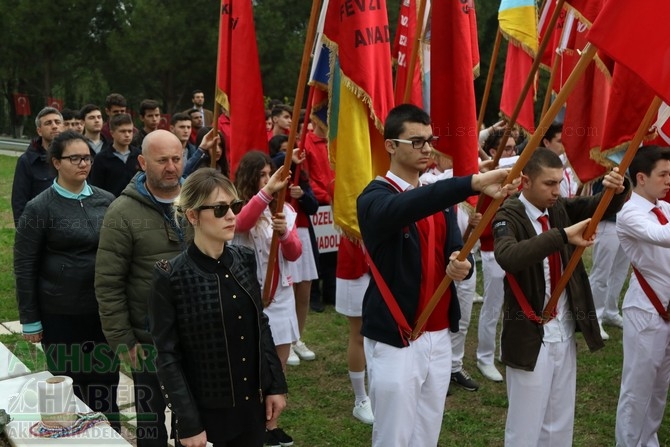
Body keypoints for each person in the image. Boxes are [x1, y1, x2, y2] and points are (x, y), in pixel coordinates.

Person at [357, 103, 518, 446]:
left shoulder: (439, 200)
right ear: (390, 146)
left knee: (427, 432)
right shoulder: (374, 198)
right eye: (416, 141)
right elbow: (408, 206)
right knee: (393, 436)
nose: (427, 148)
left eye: (430, 140)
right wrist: (471, 182)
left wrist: (461, 266)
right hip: (398, 335)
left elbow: (458, 252)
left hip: (439, 334)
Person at [492, 147, 628, 446]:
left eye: (558, 182)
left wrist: (618, 190)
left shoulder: (557, 208)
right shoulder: (507, 215)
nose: (556, 190)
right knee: (525, 426)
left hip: (563, 331)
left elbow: (598, 206)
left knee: (560, 420)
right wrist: (562, 236)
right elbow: (509, 257)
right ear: (525, 182)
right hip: (529, 334)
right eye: (549, 184)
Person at [149, 168, 287, 447]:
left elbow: (260, 325)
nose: (232, 216)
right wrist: (188, 422)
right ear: (193, 215)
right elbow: (166, 356)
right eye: (220, 208)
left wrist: (275, 386)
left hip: (251, 412)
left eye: (234, 206)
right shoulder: (170, 276)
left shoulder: (244, 259)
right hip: (205, 419)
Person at [14, 130, 120, 430]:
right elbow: (24, 265)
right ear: (56, 162)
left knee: (106, 383)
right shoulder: (39, 208)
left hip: (102, 311)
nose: (83, 163)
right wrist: (30, 320)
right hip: (60, 314)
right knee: (72, 386)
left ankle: (109, 433)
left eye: (87, 157)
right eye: (74, 158)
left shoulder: (106, 200)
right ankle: (74, 434)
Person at [95, 129, 186, 447]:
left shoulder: (197, 202)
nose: (172, 167)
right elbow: (108, 284)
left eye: (177, 158)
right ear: (142, 162)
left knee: (194, 422)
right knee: (151, 423)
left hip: (196, 336)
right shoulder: (121, 213)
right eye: (162, 160)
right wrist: (124, 342)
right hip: (148, 340)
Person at [233, 151, 301, 447]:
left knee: (279, 366)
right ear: (251, 178)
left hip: (281, 296)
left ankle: (271, 424)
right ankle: (253, 423)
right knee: (251, 367)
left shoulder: (282, 210)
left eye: (270, 173)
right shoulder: (237, 206)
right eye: (262, 175)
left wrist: (285, 234)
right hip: (250, 296)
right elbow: (241, 225)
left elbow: (295, 253)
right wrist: (266, 192)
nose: (269, 179)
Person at [615, 146, 670, 446]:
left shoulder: (666, 209)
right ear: (641, 177)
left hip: (666, 309)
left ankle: (649, 441)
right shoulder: (629, 214)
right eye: (662, 174)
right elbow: (663, 237)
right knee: (637, 390)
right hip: (645, 310)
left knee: (659, 388)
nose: (668, 181)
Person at [419, 150, 481, 392]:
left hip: (465, 258)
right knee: (436, 316)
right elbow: (444, 187)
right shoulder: (429, 181)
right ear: (438, 155)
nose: (457, 159)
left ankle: (454, 365)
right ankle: (434, 369)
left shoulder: (469, 180)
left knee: (462, 318)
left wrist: (475, 222)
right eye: (451, 153)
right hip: (437, 263)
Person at [476, 129, 518, 383]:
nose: (514, 153)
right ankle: (484, 357)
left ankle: (505, 350)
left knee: (512, 306)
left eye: (515, 148)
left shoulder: (514, 178)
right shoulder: (484, 181)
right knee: (492, 307)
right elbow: (481, 220)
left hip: (514, 251)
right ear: (494, 153)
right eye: (509, 149)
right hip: (493, 252)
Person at [335, 237, 374, 424]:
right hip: (356, 265)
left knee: (378, 335)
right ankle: (360, 399)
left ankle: (375, 394)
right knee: (360, 335)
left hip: (379, 264)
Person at [588, 178, 629, 341]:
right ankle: (593, 318)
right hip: (608, 218)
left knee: (620, 270)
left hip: (627, 218)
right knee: (601, 273)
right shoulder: (606, 155)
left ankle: (610, 311)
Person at [11, 106, 62, 226]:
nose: (54, 126)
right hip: (40, 229)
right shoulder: (27, 161)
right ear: (39, 131)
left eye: (57, 122)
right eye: (48, 123)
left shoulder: (73, 157)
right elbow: (19, 202)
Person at [89, 113, 141, 197]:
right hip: (110, 205)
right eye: (122, 131)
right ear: (112, 133)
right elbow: (97, 189)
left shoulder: (139, 155)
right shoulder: (101, 159)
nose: (127, 135)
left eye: (130, 131)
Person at [542, 122, 578, 198]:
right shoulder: (539, 168)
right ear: (546, 142)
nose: (565, 145)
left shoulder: (571, 168)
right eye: (560, 141)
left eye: (567, 141)